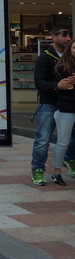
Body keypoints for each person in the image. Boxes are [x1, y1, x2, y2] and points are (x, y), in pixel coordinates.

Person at [32, 26, 75, 186]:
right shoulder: (44, 58)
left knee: (72, 138)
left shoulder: (70, 56)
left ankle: (69, 158)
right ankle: (37, 169)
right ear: (53, 37)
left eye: (69, 34)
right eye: (64, 34)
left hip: (69, 103)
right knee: (43, 138)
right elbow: (39, 83)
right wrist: (58, 86)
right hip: (49, 103)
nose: (68, 38)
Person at [52, 38, 75, 186]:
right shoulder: (62, 66)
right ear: (70, 49)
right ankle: (56, 172)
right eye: (74, 48)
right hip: (66, 108)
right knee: (63, 142)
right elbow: (67, 86)